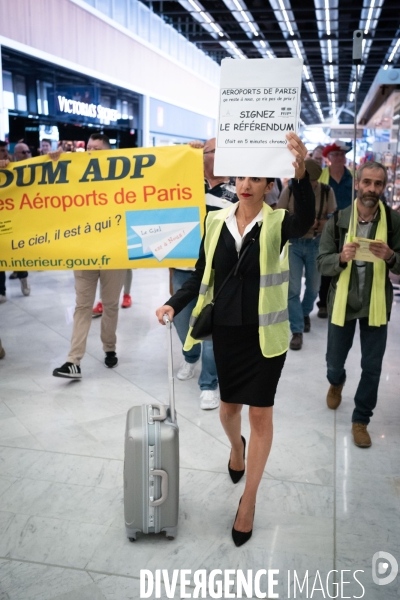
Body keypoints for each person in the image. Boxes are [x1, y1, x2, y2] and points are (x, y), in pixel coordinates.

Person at [156, 133, 315, 546]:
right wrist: (174, 303)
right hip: (226, 332)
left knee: (261, 415)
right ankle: (236, 447)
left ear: (268, 186)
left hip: (265, 337)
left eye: (256, 179)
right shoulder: (215, 221)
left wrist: (301, 174)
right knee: (229, 410)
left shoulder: (279, 223)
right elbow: (199, 272)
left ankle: (249, 501)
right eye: (242, 176)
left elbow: (305, 219)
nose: (246, 184)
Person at [317, 161, 400, 448]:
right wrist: (340, 258)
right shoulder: (338, 220)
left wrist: (390, 256)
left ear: (384, 186)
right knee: (334, 360)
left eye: (378, 184)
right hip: (342, 303)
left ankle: (361, 419)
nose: (372, 189)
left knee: (372, 366)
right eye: (367, 182)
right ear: (357, 184)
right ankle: (336, 380)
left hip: (375, 304)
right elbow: (322, 264)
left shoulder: (393, 222)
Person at [52, 133, 126, 379]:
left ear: (107, 151)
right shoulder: (77, 174)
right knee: (82, 306)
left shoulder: (122, 176)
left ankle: (110, 348)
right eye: (88, 148)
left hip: (113, 252)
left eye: (96, 148)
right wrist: (54, 161)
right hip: (84, 252)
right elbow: (52, 187)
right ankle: (73, 360)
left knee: (110, 305)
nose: (90, 152)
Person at [171, 137, 237, 410]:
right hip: (182, 267)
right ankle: (190, 356)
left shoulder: (235, 193)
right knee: (181, 320)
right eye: (213, 151)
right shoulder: (186, 187)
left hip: (217, 272)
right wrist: (186, 154)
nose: (219, 156)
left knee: (211, 328)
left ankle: (209, 382)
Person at [277, 159, 336, 350]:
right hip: (294, 243)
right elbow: (279, 213)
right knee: (292, 289)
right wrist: (297, 222)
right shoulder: (291, 189)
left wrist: (319, 223)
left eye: (310, 181)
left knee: (314, 286)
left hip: (316, 243)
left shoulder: (327, 191)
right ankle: (297, 330)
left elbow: (333, 217)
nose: (306, 185)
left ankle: (303, 313)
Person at [317, 140, 353, 318]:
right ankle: (323, 302)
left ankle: (346, 300)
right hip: (327, 227)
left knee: (348, 263)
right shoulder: (321, 176)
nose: (339, 158)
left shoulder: (354, 177)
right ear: (328, 158)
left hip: (350, 226)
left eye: (342, 155)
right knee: (328, 261)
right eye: (335, 155)